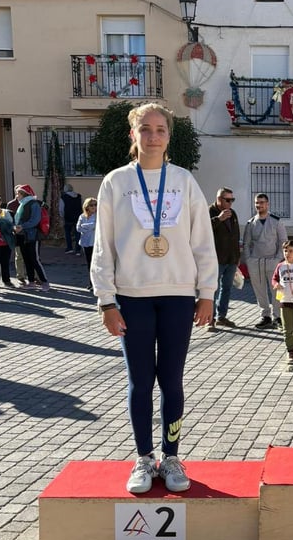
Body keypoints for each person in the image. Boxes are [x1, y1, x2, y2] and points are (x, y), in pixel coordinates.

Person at [90, 103, 217, 494]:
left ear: (168, 136)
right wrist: (106, 300)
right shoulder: (115, 182)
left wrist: (207, 293)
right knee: (140, 381)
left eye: (160, 129)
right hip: (132, 297)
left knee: (172, 380)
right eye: (145, 129)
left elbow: (202, 241)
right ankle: (144, 458)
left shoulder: (183, 180)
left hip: (178, 296)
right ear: (134, 135)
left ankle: (172, 455)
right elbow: (103, 246)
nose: (153, 136)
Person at [242, 193, 287, 330]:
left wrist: (278, 259)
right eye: (257, 203)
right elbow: (246, 243)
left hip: (273, 261)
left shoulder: (276, 221)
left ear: (267, 204)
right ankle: (265, 316)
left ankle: (278, 317)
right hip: (256, 262)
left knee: (276, 290)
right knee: (259, 290)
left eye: (262, 202)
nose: (259, 205)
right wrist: (249, 260)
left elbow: (283, 241)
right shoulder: (251, 223)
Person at [207, 187, 242, 332]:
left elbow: (236, 234)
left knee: (226, 288)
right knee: (211, 290)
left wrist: (237, 256)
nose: (230, 203)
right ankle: (210, 319)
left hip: (231, 258)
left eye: (232, 200)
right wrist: (218, 219)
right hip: (216, 258)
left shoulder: (233, 213)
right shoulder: (209, 211)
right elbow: (203, 229)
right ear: (219, 199)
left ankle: (222, 316)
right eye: (227, 200)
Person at [13, 185, 50, 291]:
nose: (16, 196)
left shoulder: (33, 204)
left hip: (32, 236)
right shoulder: (22, 204)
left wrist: (22, 226)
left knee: (35, 259)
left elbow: (35, 220)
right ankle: (31, 282)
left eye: (18, 193)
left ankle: (45, 282)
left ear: (24, 194)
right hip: (22, 236)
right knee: (27, 260)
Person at [6, 186, 26, 285]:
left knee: (32, 256)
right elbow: (8, 218)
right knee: (19, 255)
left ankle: (34, 276)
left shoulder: (28, 203)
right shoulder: (11, 204)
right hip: (16, 233)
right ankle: (20, 276)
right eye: (18, 192)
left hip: (26, 232)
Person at [76, 197, 97, 290]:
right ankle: (91, 283)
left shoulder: (98, 216)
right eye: (91, 205)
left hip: (95, 243)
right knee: (89, 264)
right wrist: (88, 227)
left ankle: (97, 284)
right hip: (85, 243)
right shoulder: (82, 216)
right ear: (87, 206)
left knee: (96, 264)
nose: (94, 207)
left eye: (95, 205)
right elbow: (78, 228)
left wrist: (85, 227)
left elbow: (95, 225)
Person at [60, 184, 83, 255]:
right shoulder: (79, 196)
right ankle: (78, 250)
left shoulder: (63, 197)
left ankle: (69, 248)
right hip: (78, 217)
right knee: (78, 233)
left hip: (68, 217)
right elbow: (82, 206)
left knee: (68, 233)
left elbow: (61, 209)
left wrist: (62, 216)